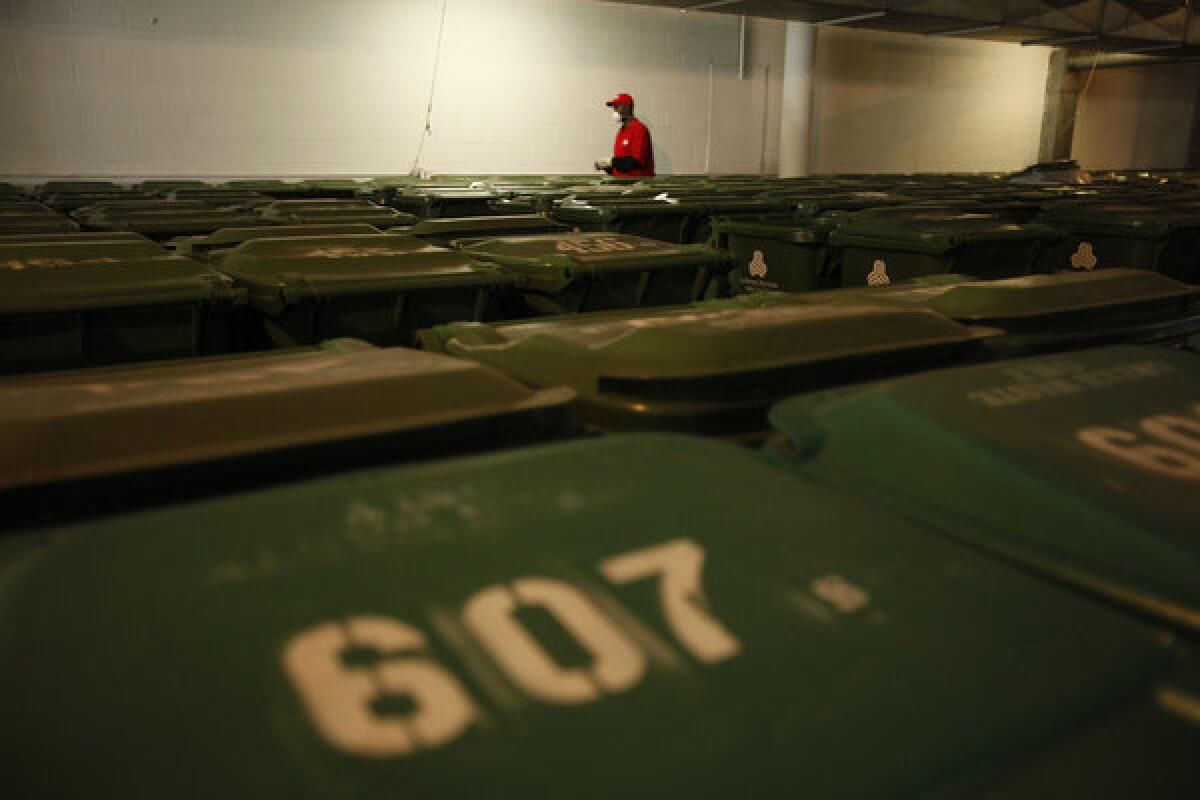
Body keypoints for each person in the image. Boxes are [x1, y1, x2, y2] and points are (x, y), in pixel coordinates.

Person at [595, 92, 655, 178]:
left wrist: (612, 162)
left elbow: (637, 162)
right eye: (613, 108)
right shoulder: (621, 131)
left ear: (627, 107)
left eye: (617, 107)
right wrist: (607, 166)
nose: (615, 111)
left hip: (637, 184)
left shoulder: (639, 129)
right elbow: (622, 163)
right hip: (622, 181)